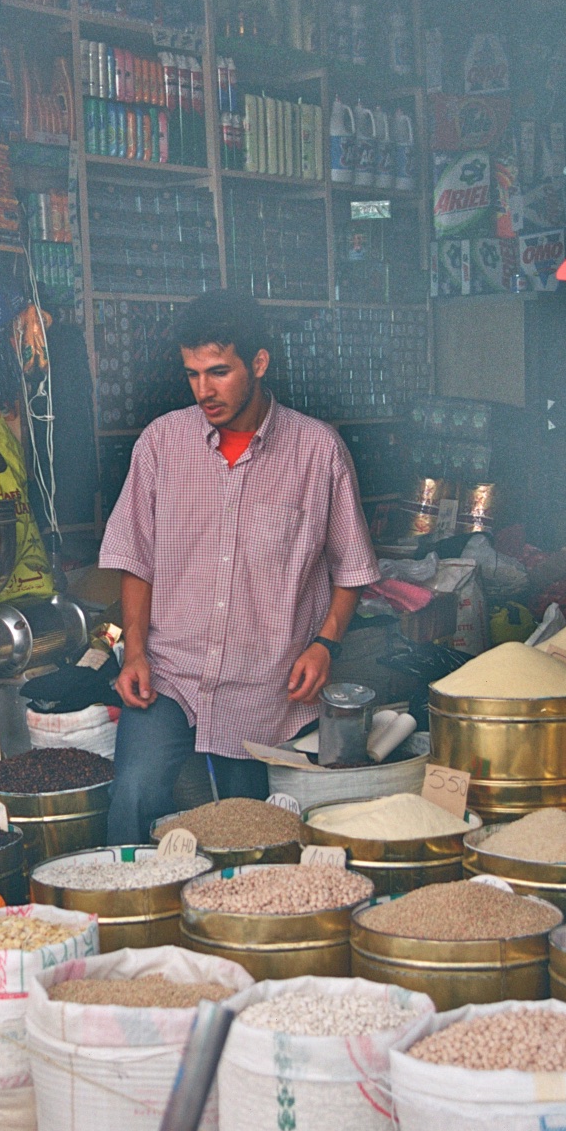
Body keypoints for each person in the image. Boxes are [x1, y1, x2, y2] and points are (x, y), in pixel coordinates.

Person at [99, 291, 380, 844]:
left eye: (219, 372)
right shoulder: (161, 444)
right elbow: (137, 558)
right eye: (193, 374)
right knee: (133, 795)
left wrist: (326, 645)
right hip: (171, 675)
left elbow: (352, 568)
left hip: (266, 688)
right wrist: (134, 651)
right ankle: (125, 917)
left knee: (252, 833)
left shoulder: (317, 451)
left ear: (258, 362)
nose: (204, 390)